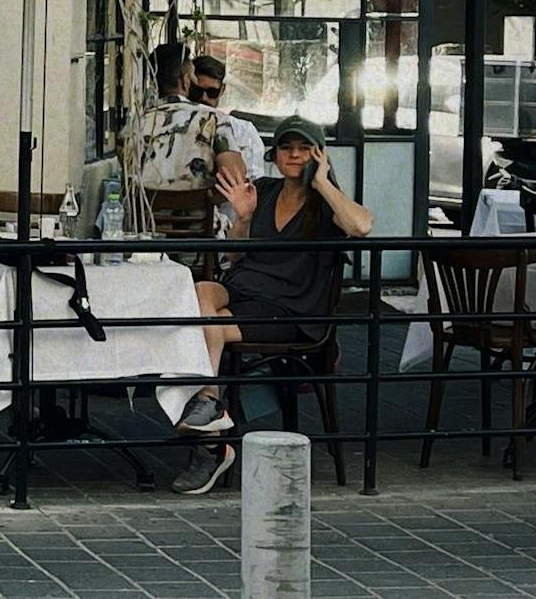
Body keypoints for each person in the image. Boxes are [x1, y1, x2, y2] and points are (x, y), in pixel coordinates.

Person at [167, 115, 374, 495]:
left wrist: (322, 182)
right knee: (199, 295)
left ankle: (210, 443)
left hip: (291, 310)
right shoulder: (261, 189)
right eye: (286, 148)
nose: (293, 155)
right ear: (275, 154)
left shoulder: (325, 202)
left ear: (318, 153)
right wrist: (243, 218)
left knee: (202, 329)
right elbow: (236, 256)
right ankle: (210, 405)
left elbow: (361, 227)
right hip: (246, 294)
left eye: (302, 148)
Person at [139, 42, 253, 191]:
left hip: (144, 214)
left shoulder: (135, 125)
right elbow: (236, 178)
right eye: (193, 76)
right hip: (200, 212)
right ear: (185, 81)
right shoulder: (214, 120)